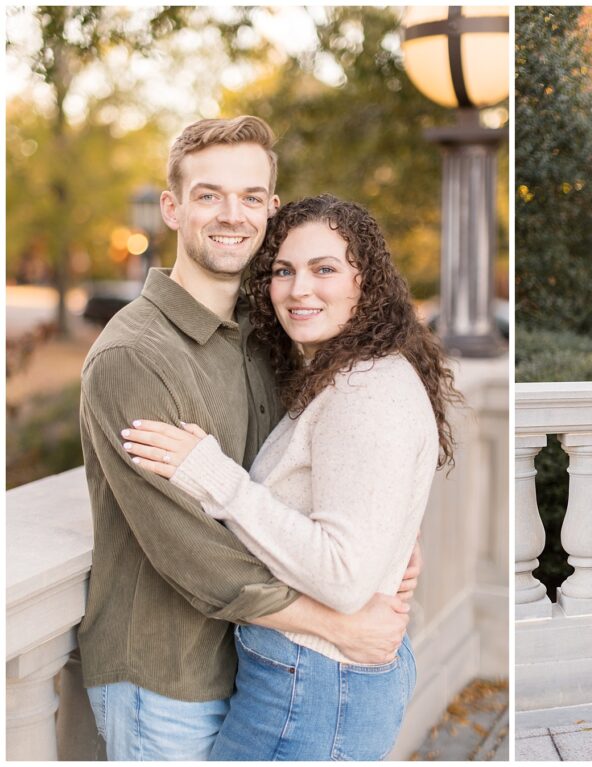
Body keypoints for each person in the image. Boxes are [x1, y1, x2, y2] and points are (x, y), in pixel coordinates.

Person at [78, 117, 417, 761]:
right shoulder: (133, 356)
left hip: (258, 672)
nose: (232, 214)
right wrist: (338, 623)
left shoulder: (272, 335)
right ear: (172, 208)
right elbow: (188, 548)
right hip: (168, 679)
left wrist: (389, 542)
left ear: (271, 207)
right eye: (209, 195)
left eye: (251, 196)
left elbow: (314, 474)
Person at [121, 194, 460, 760]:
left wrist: (213, 476)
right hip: (314, 679)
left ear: (365, 282)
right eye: (284, 270)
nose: (299, 288)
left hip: (313, 687)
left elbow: (344, 577)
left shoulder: (364, 391)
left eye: (324, 268)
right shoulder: (347, 372)